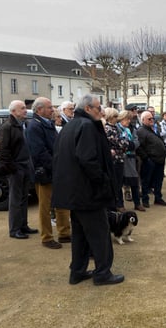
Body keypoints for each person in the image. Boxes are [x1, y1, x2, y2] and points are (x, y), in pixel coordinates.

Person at [52, 94, 124, 285]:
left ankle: (77, 271)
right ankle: (102, 273)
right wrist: (103, 180)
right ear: (87, 109)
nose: (101, 111)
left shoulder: (70, 126)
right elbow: (87, 159)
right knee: (100, 233)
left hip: (76, 192)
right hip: (88, 192)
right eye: (98, 108)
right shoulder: (87, 126)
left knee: (80, 235)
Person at [27, 97, 70, 249]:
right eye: (49, 107)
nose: (53, 110)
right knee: (45, 207)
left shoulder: (48, 124)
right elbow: (39, 152)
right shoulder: (34, 126)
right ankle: (46, 237)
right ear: (39, 109)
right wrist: (55, 166)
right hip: (45, 172)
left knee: (62, 203)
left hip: (56, 170)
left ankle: (64, 233)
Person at [0, 100, 38, 240]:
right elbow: (2, 150)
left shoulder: (23, 124)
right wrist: (12, 168)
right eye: (22, 108)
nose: (25, 110)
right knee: (15, 199)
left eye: (25, 108)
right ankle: (14, 229)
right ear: (13, 111)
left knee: (24, 197)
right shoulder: (7, 127)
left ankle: (23, 225)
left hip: (25, 166)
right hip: (16, 168)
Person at [137, 111, 166, 208]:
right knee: (146, 181)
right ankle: (145, 200)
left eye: (152, 118)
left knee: (159, 180)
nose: (152, 120)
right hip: (150, 160)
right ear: (143, 120)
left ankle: (158, 198)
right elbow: (139, 146)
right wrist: (146, 158)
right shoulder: (141, 131)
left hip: (159, 159)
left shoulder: (153, 129)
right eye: (149, 119)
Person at [117, 110, 144, 211]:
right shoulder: (116, 129)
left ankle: (137, 203)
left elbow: (136, 142)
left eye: (130, 119)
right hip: (120, 158)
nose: (129, 121)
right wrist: (128, 145)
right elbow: (117, 142)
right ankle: (120, 204)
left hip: (131, 158)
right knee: (119, 182)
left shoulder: (131, 129)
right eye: (127, 119)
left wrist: (129, 145)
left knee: (134, 180)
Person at [104, 107, 127, 212]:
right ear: (109, 117)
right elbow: (119, 142)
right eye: (115, 116)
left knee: (119, 183)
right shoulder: (108, 128)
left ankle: (119, 203)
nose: (116, 118)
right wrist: (126, 143)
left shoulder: (115, 128)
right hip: (114, 160)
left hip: (119, 159)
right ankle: (116, 204)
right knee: (116, 184)